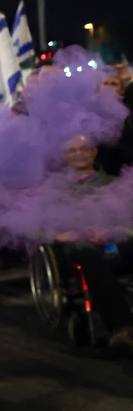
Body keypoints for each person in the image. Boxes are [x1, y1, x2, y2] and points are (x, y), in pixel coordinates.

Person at [53, 135, 133, 351]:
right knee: (87, 254)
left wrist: (111, 231)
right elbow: (31, 223)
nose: (79, 154)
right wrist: (60, 235)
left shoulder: (113, 183)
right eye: (72, 150)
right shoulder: (53, 188)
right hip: (76, 250)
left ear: (94, 152)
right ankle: (122, 328)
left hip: (113, 244)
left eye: (84, 148)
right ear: (64, 156)